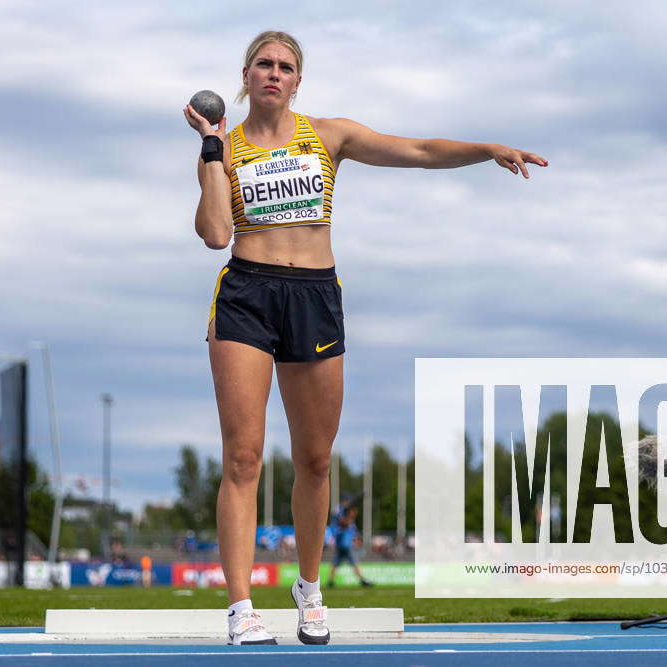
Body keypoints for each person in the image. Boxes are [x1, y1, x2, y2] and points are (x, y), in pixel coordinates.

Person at [184, 30, 547, 646]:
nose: (274, 74)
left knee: (316, 459)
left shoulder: (329, 136)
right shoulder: (225, 147)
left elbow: (418, 150)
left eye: (286, 67)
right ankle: (242, 606)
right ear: (244, 77)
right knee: (243, 457)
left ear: (299, 81)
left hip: (316, 296)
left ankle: (309, 588)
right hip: (247, 292)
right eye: (264, 65)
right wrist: (213, 148)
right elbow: (216, 233)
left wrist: (484, 148)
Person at [327, 500, 372, 588]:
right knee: (354, 562)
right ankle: (362, 579)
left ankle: (330, 581)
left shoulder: (341, 514)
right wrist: (351, 516)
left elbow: (352, 529)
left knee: (335, 563)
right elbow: (345, 524)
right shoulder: (341, 515)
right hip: (345, 544)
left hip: (342, 544)